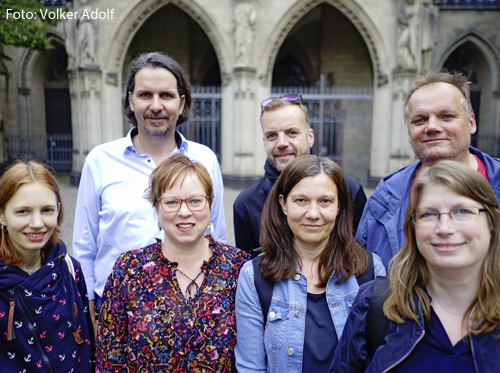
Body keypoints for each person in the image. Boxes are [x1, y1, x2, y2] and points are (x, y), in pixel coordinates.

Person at [73, 52, 227, 326]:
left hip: (193, 310)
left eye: (166, 96)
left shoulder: (205, 159)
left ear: (181, 104)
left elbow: (217, 236)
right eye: (145, 95)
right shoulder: (100, 161)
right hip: (119, 312)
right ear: (131, 101)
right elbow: (85, 244)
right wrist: (87, 309)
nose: (156, 105)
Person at [332, 160, 500, 372]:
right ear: (411, 230)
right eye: (428, 214)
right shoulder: (374, 309)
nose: (445, 228)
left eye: (463, 211)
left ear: (492, 224)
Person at [96, 154, 249, 372]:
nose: (184, 212)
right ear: (156, 209)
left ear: (210, 205)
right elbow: (110, 358)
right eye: (171, 202)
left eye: (195, 201)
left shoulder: (238, 268)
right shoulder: (128, 270)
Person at [235, 155, 385, 372]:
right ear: (283, 204)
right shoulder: (254, 278)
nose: (313, 214)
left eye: (325, 201)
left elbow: (381, 361)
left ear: (339, 206)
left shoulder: (371, 271)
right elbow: (251, 367)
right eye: (301, 200)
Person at [356, 70, 500, 268]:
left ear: (471, 123)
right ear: (408, 132)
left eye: (446, 116)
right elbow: (363, 272)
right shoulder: (386, 198)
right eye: (420, 120)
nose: (432, 127)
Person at [234, 95, 367, 253]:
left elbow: (361, 257)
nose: (282, 143)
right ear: (264, 142)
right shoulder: (246, 204)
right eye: (272, 136)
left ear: (310, 137)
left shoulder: (348, 189)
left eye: (291, 133)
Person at [0, 159, 94, 372]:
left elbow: (87, 345)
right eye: (22, 211)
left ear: (58, 209)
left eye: (47, 210)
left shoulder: (71, 270)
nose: (36, 223)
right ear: (2, 214)